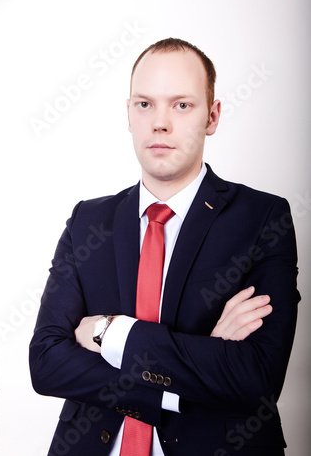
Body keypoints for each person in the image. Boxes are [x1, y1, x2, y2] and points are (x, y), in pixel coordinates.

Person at [29, 38, 300, 456]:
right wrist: (194, 368)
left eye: (181, 105)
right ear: (129, 114)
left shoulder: (262, 219)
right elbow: (46, 364)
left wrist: (109, 332)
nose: (160, 123)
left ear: (211, 117)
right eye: (145, 104)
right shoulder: (88, 220)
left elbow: (255, 378)